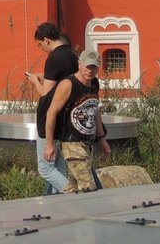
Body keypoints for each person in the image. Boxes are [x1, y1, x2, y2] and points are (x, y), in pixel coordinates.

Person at [44, 49, 109, 193]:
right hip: (71, 143)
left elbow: (95, 112)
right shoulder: (68, 84)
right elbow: (51, 112)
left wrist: (102, 138)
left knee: (74, 188)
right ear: (79, 64)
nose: (90, 70)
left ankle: (64, 211)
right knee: (88, 187)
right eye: (87, 66)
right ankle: (90, 213)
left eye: (93, 67)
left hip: (87, 144)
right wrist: (49, 144)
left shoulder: (93, 85)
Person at [27, 22, 78, 194]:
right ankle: (56, 204)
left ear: (46, 40)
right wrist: (45, 76)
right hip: (66, 116)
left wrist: (35, 81)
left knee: (46, 168)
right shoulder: (72, 56)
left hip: (50, 118)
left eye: (40, 44)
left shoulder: (53, 59)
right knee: (59, 166)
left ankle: (72, 194)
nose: (41, 48)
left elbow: (45, 93)